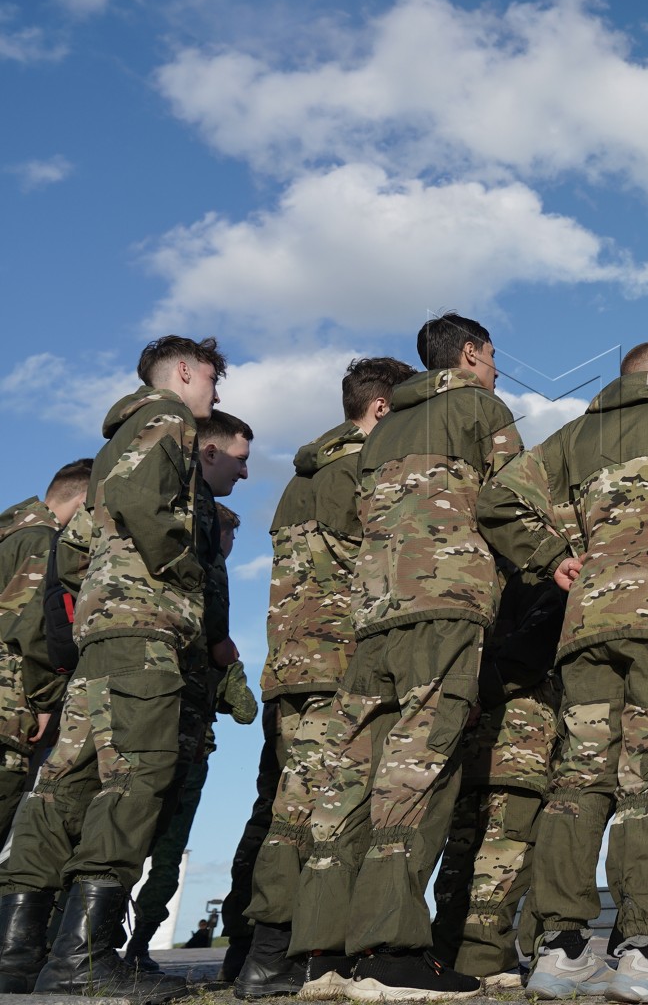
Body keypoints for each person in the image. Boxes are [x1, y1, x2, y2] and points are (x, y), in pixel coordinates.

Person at [481, 340, 648, 1002]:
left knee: (578, 779)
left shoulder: (573, 436)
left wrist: (551, 559)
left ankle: (562, 950)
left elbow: (497, 500)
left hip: (588, 625)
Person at [290, 312, 524, 1000]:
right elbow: (512, 503)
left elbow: (351, 518)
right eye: (492, 358)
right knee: (418, 770)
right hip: (445, 608)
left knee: (352, 772)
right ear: (472, 355)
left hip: (375, 615)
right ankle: (390, 954)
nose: (496, 371)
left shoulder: (382, 429)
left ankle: (325, 957)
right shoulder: (482, 408)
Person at [0, 334, 225, 1002]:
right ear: (184, 372)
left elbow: (70, 558)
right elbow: (144, 509)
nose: (216, 394)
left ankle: (18, 950)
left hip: (101, 632)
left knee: (64, 786)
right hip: (145, 628)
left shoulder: (110, 445)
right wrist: (181, 581)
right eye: (213, 378)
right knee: (135, 778)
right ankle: (84, 960)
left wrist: (97, 600)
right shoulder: (168, 419)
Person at [230, 356, 415, 997]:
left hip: (292, 662)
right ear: (384, 409)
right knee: (316, 811)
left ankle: (257, 954)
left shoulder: (301, 477)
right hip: (341, 662)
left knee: (288, 803)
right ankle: (275, 956)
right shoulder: (362, 470)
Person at [126, 412, 258, 972]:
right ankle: (126, 949)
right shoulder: (195, 553)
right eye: (240, 458)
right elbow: (245, 710)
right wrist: (226, 659)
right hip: (177, 727)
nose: (226, 543)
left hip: (165, 717)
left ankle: (85, 943)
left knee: (129, 832)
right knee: (148, 841)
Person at [429, 564, 564, 988]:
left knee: (463, 852)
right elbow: (531, 654)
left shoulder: (477, 578)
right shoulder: (543, 582)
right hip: (516, 740)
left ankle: (447, 952)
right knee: (502, 854)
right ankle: (483, 958)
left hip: (468, 741)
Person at [0, 459, 91, 844]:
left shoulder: (11, 532)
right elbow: (36, 628)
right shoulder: (46, 542)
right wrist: (45, 702)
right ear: (86, 501)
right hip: (10, 706)